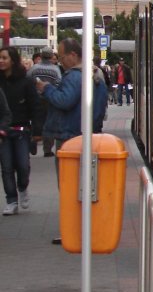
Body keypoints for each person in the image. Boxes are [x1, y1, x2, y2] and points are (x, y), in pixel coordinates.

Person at [35, 39, 107, 243]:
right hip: (86, 134)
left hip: (69, 136)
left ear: (73, 55)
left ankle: (73, 231)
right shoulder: (94, 75)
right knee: (83, 186)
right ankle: (84, 229)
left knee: (69, 187)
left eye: (62, 56)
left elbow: (64, 101)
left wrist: (46, 89)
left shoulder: (75, 76)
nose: (59, 60)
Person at [0, 46, 43, 215]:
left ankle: (23, 187)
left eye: (4, 58)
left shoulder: (25, 81)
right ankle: (11, 200)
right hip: (3, 131)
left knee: (23, 165)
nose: (1, 61)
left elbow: (36, 106)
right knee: (7, 167)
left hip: (21, 130)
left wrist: (37, 130)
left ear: (13, 60)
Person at [27, 47, 62, 157]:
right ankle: (47, 149)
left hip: (36, 98)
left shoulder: (34, 68)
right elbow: (59, 83)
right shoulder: (55, 69)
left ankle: (33, 139)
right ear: (51, 56)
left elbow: (27, 80)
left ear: (41, 56)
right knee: (49, 123)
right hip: (49, 99)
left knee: (36, 121)